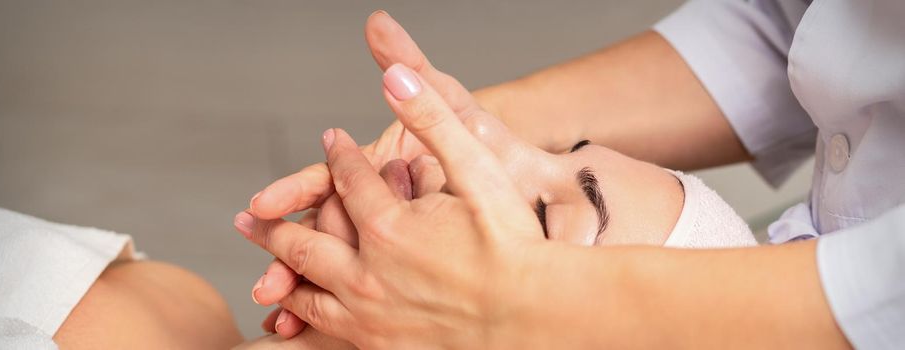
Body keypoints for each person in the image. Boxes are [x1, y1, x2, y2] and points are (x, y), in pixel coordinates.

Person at [244, 3, 905, 348]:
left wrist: (513, 308)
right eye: (566, 152)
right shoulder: (167, 301)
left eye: (539, 215)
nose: (484, 156)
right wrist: (492, 120)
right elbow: (823, 29)